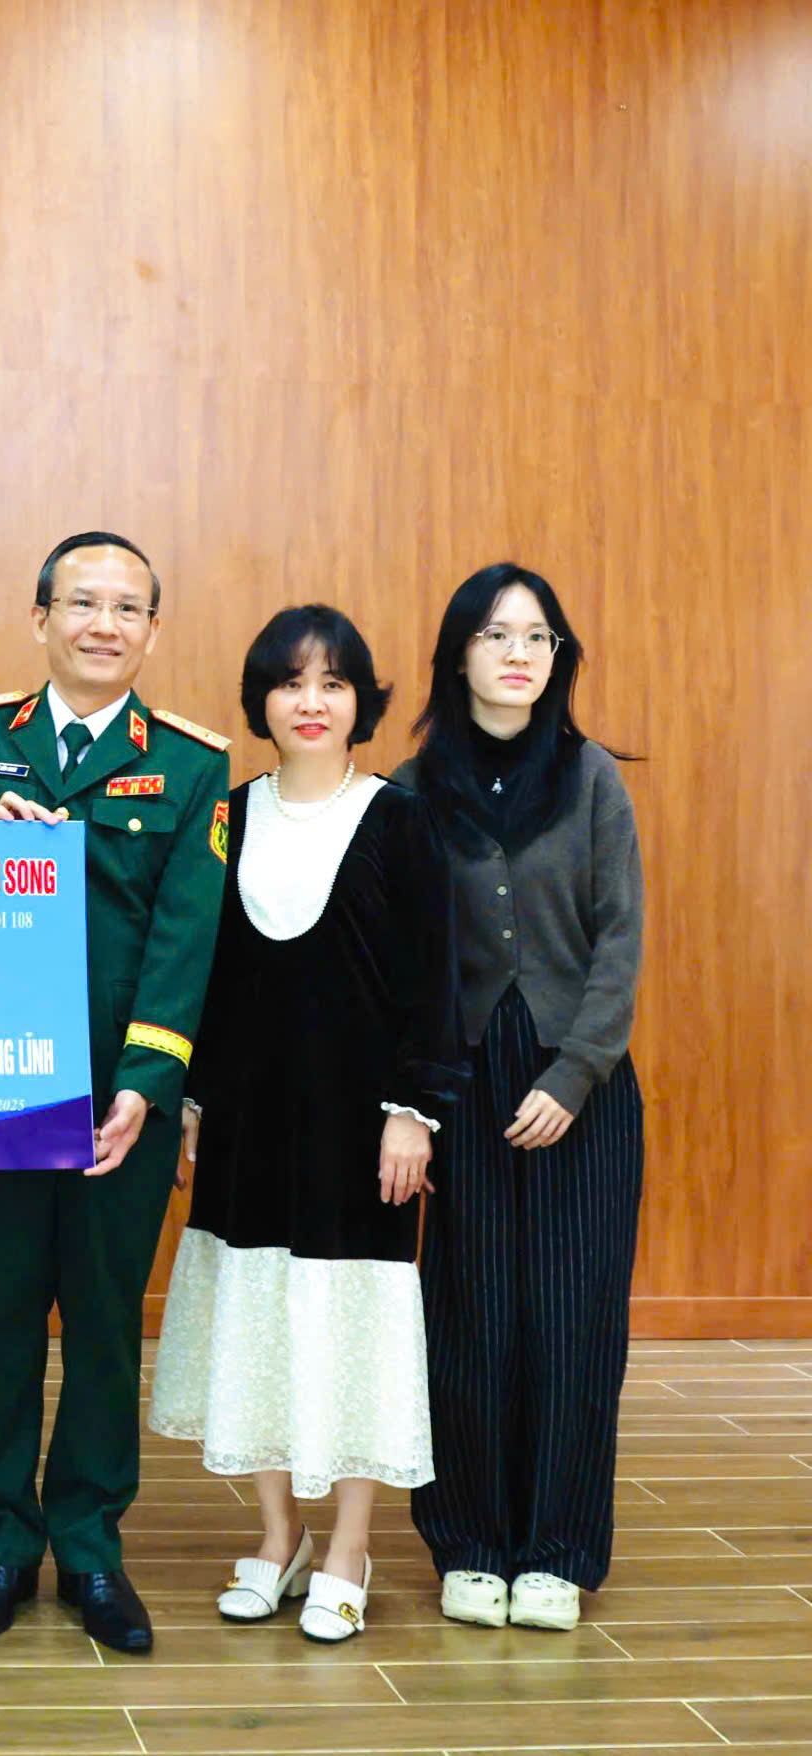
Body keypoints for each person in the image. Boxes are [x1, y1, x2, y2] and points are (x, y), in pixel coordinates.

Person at [0, 530, 229, 1654]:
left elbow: (184, 935)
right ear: (39, 618)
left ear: (150, 632)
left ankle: (88, 1546)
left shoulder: (188, 764)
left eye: (126, 608)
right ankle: (0, 1544)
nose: (102, 625)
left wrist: (146, 1082)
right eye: (81, 602)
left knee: (100, 1323)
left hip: (113, 1102)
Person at [147, 605, 462, 1644]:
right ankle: (279, 1536)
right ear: (262, 702)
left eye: (332, 682)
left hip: (361, 1129)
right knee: (258, 1323)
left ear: (360, 700)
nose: (310, 701)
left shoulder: (401, 819)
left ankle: (347, 1549)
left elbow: (433, 983)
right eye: (289, 682)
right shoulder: (226, 815)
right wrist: (192, 1105)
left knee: (351, 1327)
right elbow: (206, 976)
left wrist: (413, 1113)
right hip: (246, 1120)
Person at [395, 563, 644, 1634]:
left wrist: (573, 1072)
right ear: (458, 654)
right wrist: (410, 1098)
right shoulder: (410, 789)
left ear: (557, 658)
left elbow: (618, 940)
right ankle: (469, 1542)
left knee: (573, 1318)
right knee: (468, 1314)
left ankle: (555, 1551)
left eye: (537, 637)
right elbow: (402, 959)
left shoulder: (589, 778)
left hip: (576, 1079)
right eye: (495, 634)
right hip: (459, 1080)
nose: (517, 653)